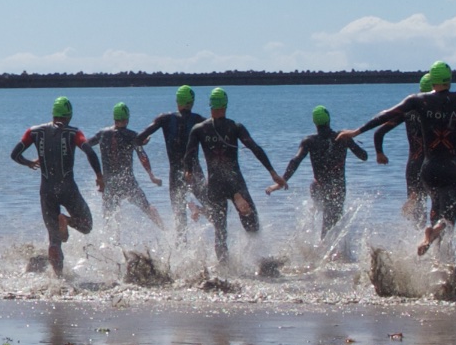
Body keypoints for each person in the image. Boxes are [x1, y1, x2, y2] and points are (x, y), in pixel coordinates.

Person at [353, 61, 456, 260]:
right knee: (448, 217)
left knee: (428, 210)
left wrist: (360, 135)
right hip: (452, 168)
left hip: (423, 167)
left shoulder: (414, 106)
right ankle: (439, 248)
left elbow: (383, 122)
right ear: (449, 79)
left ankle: (423, 244)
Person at [9, 96, 98, 275]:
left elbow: (15, 154)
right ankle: (66, 220)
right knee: (86, 225)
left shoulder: (34, 132)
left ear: (53, 114)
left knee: (54, 240)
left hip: (47, 191)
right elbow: (89, 150)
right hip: (68, 189)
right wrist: (100, 176)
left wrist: (28, 163)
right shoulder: (74, 133)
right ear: (69, 115)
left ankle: (57, 280)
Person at [186, 87, 276, 259]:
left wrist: (188, 171)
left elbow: (189, 155)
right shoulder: (235, 127)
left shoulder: (198, 129)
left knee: (220, 231)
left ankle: (224, 268)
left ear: (210, 105)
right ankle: (260, 259)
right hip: (234, 181)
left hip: (214, 183)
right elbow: (254, 148)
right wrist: (272, 172)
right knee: (252, 224)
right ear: (226, 104)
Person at [276, 107, 367, 239]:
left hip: (317, 186)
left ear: (314, 122)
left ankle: (317, 243)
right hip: (337, 188)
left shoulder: (309, 141)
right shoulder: (342, 137)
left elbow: (295, 161)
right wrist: (350, 139)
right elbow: (364, 156)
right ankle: (327, 253)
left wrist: (283, 180)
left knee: (326, 214)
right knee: (331, 222)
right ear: (329, 119)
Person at [86, 103, 162, 225]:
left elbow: (86, 145)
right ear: (127, 119)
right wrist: (151, 175)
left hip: (109, 183)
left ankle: (112, 242)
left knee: (109, 216)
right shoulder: (132, 135)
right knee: (147, 208)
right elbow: (142, 156)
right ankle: (167, 233)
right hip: (127, 182)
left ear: (114, 118)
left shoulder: (102, 134)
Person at [143, 88, 209, 228]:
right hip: (194, 170)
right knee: (215, 208)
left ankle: (181, 248)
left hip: (175, 172)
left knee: (180, 221)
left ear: (177, 101)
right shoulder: (200, 121)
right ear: (192, 102)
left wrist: (142, 141)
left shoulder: (165, 119)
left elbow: (138, 138)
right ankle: (197, 207)